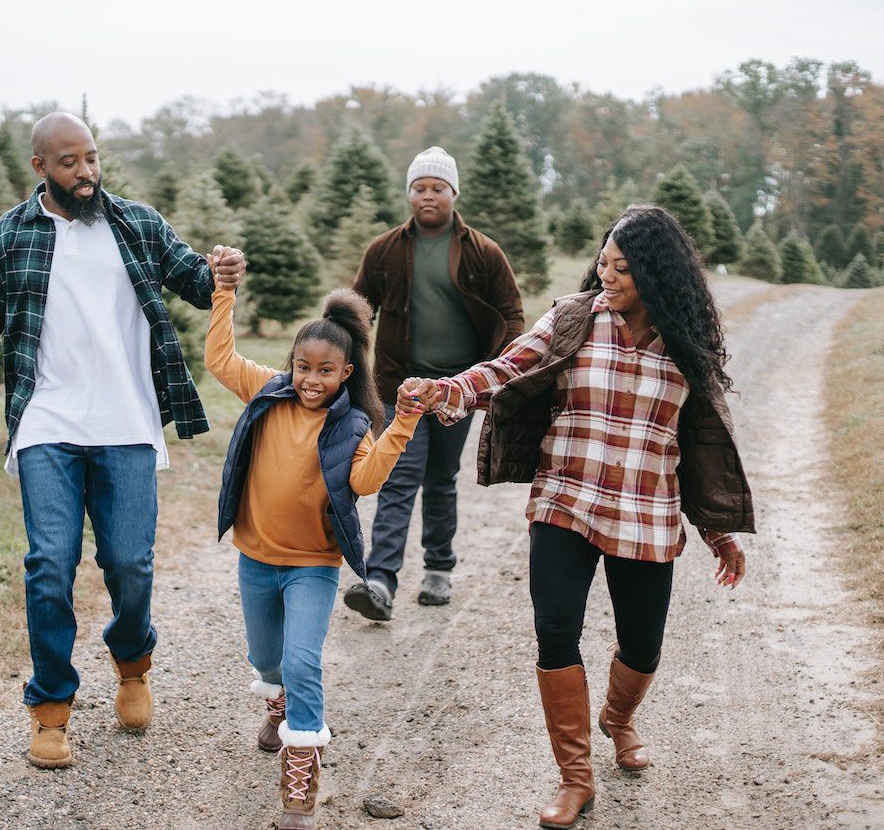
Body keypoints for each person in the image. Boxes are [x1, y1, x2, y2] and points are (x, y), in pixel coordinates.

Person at [409, 205, 753, 829]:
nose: (608, 276)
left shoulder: (685, 343)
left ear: (656, 274)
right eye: (603, 262)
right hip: (564, 501)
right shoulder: (577, 317)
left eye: (623, 268)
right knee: (556, 634)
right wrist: (449, 390)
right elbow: (508, 367)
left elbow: (699, 448)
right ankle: (575, 778)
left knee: (644, 648)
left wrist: (717, 531)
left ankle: (618, 719)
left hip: (646, 514)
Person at [0, 112, 246, 770]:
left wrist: (221, 271)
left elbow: (193, 279)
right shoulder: (5, 239)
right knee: (50, 564)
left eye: (92, 158)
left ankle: (132, 662)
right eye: (70, 162)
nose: (86, 172)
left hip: (126, 422)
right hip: (46, 421)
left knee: (130, 564)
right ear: (40, 167)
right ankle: (51, 710)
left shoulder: (134, 222)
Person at [204, 263, 423, 830]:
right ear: (291, 365)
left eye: (326, 371)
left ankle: (300, 777)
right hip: (256, 556)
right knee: (267, 659)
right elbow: (221, 360)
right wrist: (225, 292)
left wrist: (402, 423)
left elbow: (366, 480)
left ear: (346, 373)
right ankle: (275, 704)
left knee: (302, 662)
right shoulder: (268, 394)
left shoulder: (353, 426)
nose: (311, 379)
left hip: (313, 566)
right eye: (303, 367)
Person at [344, 146, 524, 620]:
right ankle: (379, 580)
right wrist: (341, 364)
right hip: (400, 388)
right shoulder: (384, 250)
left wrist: (494, 373)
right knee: (399, 477)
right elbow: (358, 313)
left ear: (453, 193)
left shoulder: (482, 252)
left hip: (456, 389)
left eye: (437, 188)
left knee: (442, 478)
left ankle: (438, 569)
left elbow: (511, 314)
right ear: (409, 195)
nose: (428, 196)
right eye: (420, 188)